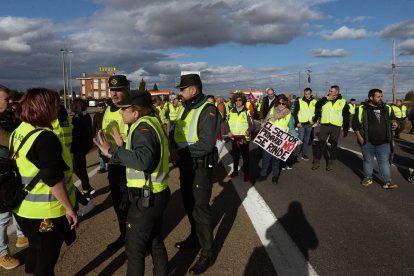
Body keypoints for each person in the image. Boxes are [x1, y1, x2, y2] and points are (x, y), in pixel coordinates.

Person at [94, 91, 170, 276]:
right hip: (156, 192)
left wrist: (112, 152)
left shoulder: (143, 127)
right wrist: (121, 147)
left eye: (123, 110)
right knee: (154, 240)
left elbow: (144, 160)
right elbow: (140, 156)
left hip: (147, 196)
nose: (120, 113)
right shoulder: (150, 122)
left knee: (134, 248)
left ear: (135, 112)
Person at [11, 88, 77, 275]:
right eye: (54, 105)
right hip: (46, 211)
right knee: (47, 262)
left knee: (36, 248)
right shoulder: (45, 137)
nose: (58, 109)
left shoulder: (20, 130)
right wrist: (69, 208)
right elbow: (52, 179)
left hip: (22, 207)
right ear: (43, 108)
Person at [170, 74, 221, 275]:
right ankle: (194, 238)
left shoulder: (207, 109)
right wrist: (173, 147)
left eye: (183, 89)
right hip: (186, 164)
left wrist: (178, 153)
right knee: (189, 204)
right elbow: (177, 133)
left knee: (200, 209)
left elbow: (207, 144)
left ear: (194, 89)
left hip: (199, 166)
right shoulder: (184, 107)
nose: (180, 92)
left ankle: (207, 252)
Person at [0, 85, 28, 270]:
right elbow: (10, 139)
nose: (10, 102)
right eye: (5, 99)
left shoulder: (8, 117)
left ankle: (21, 234)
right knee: (2, 216)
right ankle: (2, 254)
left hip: (11, 171)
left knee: (18, 203)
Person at [102, 75, 130, 250]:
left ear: (126, 90)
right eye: (112, 90)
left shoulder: (131, 108)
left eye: (118, 89)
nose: (114, 93)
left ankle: (136, 240)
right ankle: (124, 236)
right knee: (118, 204)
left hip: (129, 163)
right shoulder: (108, 108)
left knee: (132, 205)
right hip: (114, 163)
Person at [352, 89, 398, 189]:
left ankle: (387, 182)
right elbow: (355, 125)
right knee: (368, 160)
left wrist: (394, 123)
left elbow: (393, 118)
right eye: (378, 97)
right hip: (367, 141)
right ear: (371, 98)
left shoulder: (387, 108)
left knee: (384, 161)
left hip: (384, 141)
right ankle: (367, 178)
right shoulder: (362, 109)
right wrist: (360, 137)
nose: (381, 98)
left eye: (381, 96)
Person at [258, 94, 300, 184]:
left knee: (276, 160)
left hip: (279, 141)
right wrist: (263, 124)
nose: (281, 105)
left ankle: (275, 176)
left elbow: (292, 129)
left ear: (287, 105)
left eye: (283, 104)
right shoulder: (272, 111)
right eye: (280, 103)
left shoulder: (289, 115)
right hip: (269, 139)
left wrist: (296, 138)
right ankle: (263, 174)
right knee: (266, 158)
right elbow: (266, 121)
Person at [312, 85, 350, 171]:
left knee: (333, 145)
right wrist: (325, 99)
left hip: (336, 127)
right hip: (325, 125)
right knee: (320, 144)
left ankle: (331, 163)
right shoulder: (325, 99)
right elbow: (317, 106)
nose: (329, 92)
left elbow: (346, 116)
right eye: (329, 91)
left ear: (337, 92)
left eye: (331, 91)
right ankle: (316, 162)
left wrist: (345, 129)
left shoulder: (343, 101)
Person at [223, 92, 255, 182]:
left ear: (243, 101)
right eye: (236, 100)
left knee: (245, 156)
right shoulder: (230, 111)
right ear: (234, 101)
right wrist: (228, 132)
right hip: (234, 138)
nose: (238, 102)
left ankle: (246, 174)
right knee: (235, 156)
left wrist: (248, 131)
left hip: (244, 138)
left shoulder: (247, 112)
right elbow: (225, 123)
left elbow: (252, 125)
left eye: (240, 100)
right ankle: (235, 172)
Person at [71, 99, 95, 197]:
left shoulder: (85, 116)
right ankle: (87, 187)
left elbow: (85, 127)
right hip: (76, 147)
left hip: (81, 147)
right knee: (77, 168)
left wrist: (80, 113)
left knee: (79, 168)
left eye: (74, 105)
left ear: (80, 106)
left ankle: (86, 189)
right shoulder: (76, 116)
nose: (72, 107)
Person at [293, 88, 317, 161]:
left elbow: (318, 112)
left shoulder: (315, 102)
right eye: (305, 94)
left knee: (306, 140)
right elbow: (294, 113)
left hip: (309, 124)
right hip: (301, 124)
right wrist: (297, 122)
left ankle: (304, 154)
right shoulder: (299, 101)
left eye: (308, 94)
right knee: (300, 139)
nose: (306, 95)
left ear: (311, 93)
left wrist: (315, 120)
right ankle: (296, 154)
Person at [93, 102, 108, 173]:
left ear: (105, 107)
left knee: (109, 150)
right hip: (99, 135)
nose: (101, 107)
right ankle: (102, 167)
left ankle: (110, 164)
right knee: (101, 151)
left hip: (108, 134)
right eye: (99, 106)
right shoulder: (96, 115)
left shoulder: (108, 114)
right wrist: (93, 136)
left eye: (102, 106)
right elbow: (94, 126)